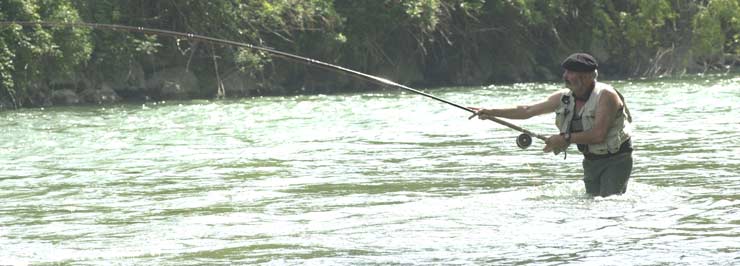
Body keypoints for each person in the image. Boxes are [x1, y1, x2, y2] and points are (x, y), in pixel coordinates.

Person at [470, 53, 633, 197]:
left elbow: (599, 134)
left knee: (609, 204)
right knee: (592, 203)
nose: (566, 76)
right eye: (566, 72)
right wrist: (490, 112)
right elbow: (527, 110)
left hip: (616, 160)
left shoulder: (606, 95)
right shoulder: (564, 97)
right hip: (590, 162)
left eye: (571, 72)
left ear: (587, 76)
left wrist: (564, 139)